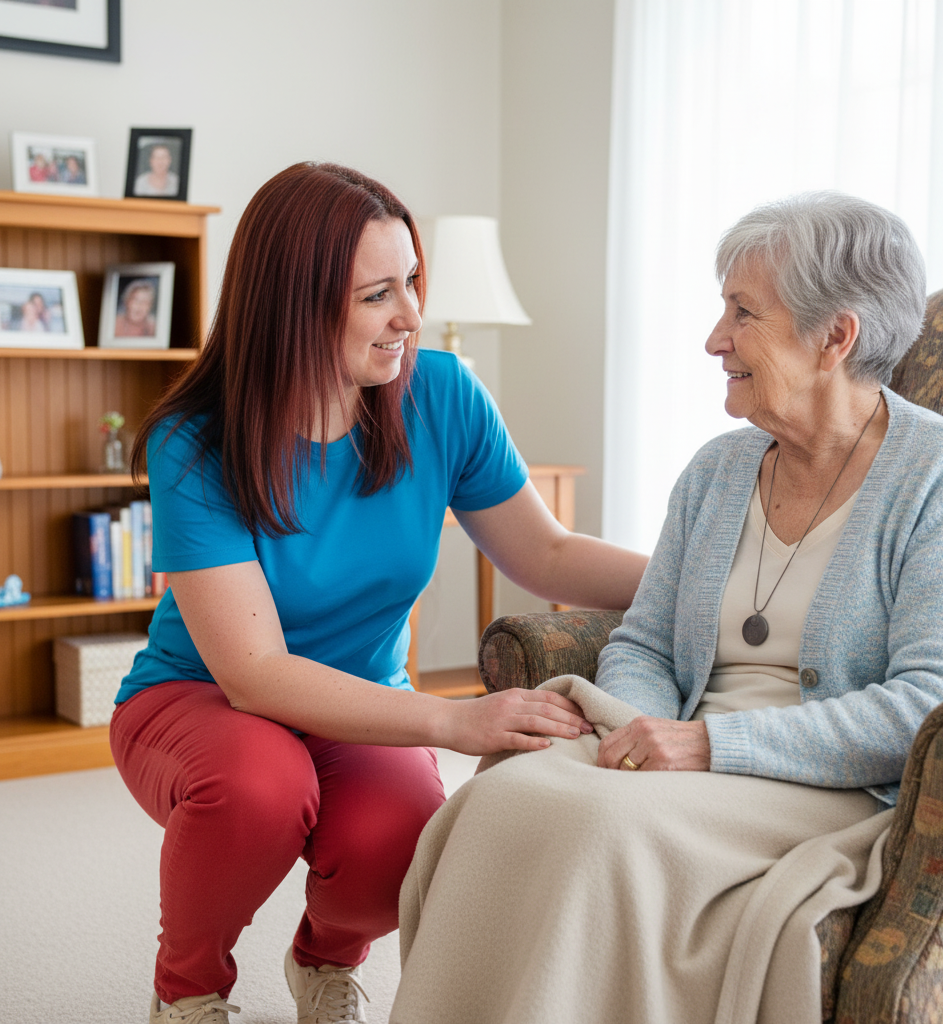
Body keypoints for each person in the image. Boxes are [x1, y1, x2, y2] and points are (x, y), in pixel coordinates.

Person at [391, 192, 943, 1024]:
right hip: (681, 751)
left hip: (827, 782)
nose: (713, 339)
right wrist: (636, 739)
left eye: (743, 312)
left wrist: (708, 745)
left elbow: (928, 705)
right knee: (498, 806)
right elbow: (645, 643)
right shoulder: (718, 470)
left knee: (600, 837)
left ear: (837, 336)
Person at [110, 162, 647, 1024]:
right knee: (260, 786)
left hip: (358, 702)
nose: (408, 316)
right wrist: (452, 719)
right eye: (376, 295)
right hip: (198, 698)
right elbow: (253, 673)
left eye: (412, 283)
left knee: (400, 838)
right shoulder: (195, 439)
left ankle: (323, 963)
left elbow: (544, 553)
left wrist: (704, 574)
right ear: (294, 303)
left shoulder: (440, 394)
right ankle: (189, 990)